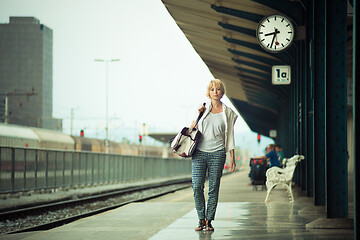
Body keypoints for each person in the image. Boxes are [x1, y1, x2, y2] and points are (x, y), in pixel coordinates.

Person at [190, 79, 238, 232]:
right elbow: (192, 129)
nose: (215, 92)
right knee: (197, 186)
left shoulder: (228, 112)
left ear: (222, 92)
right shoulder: (203, 109)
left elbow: (230, 135)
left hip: (218, 153)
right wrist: (198, 116)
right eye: (212, 89)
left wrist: (232, 157)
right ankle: (200, 218)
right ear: (208, 93)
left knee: (213, 188)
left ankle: (209, 220)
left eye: (218, 89)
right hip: (199, 153)